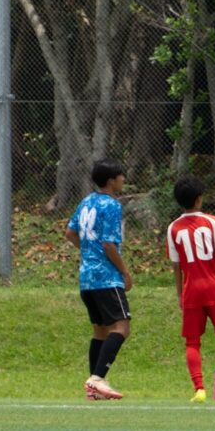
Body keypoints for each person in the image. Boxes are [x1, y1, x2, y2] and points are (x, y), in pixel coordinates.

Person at [167, 177, 215, 404]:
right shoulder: (212, 222)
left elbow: (176, 265)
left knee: (192, 342)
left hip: (191, 290)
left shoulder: (173, 228)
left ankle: (199, 389)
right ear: (199, 199)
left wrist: (180, 294)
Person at [64, 158, 132, 400]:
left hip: (87, 277)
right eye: (120, 176)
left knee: (100, 331)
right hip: (106, 277)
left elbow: (70, 232)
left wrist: (87, 251)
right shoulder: (112, 205)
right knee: (122, 327)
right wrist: (124, 272)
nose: (123, 179)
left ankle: (94, 390)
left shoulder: (86, 201)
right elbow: (109, 244)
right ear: (111, 180)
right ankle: (97, 378)